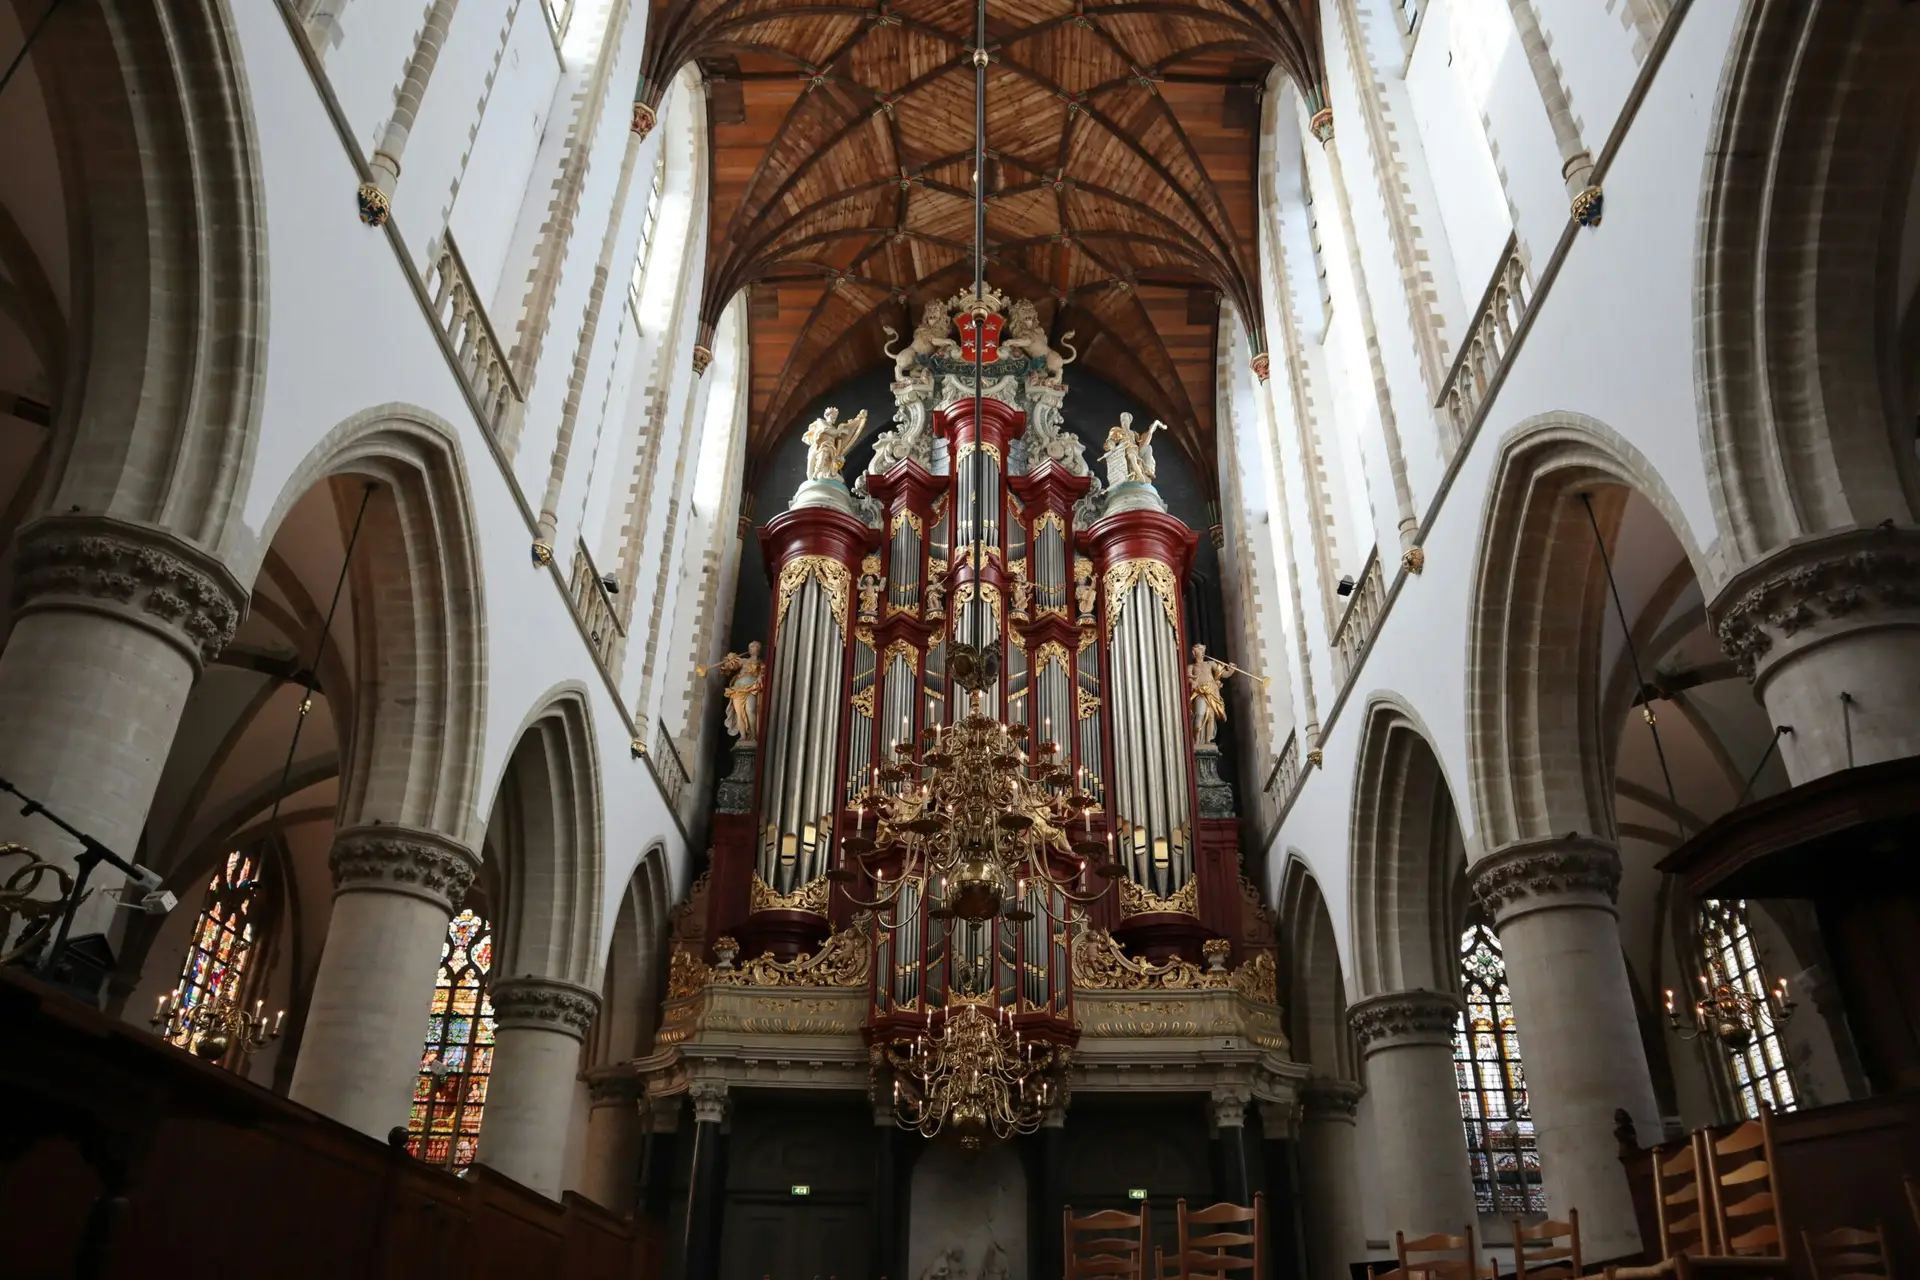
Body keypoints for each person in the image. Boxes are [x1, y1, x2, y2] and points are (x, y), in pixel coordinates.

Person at [697, 641, 765, 743]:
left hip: (752, 688)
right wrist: (729, 660)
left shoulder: (761, 664)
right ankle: (743, 736)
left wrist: (760, 676)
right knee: (739, 714)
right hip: (737, 689)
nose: (750, 648)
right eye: (749, 647)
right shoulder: (743, 661)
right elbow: (730, 666)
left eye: (752, 646)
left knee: (750, 710)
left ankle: (754, 735)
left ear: (758, 648)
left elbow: (764, 674)